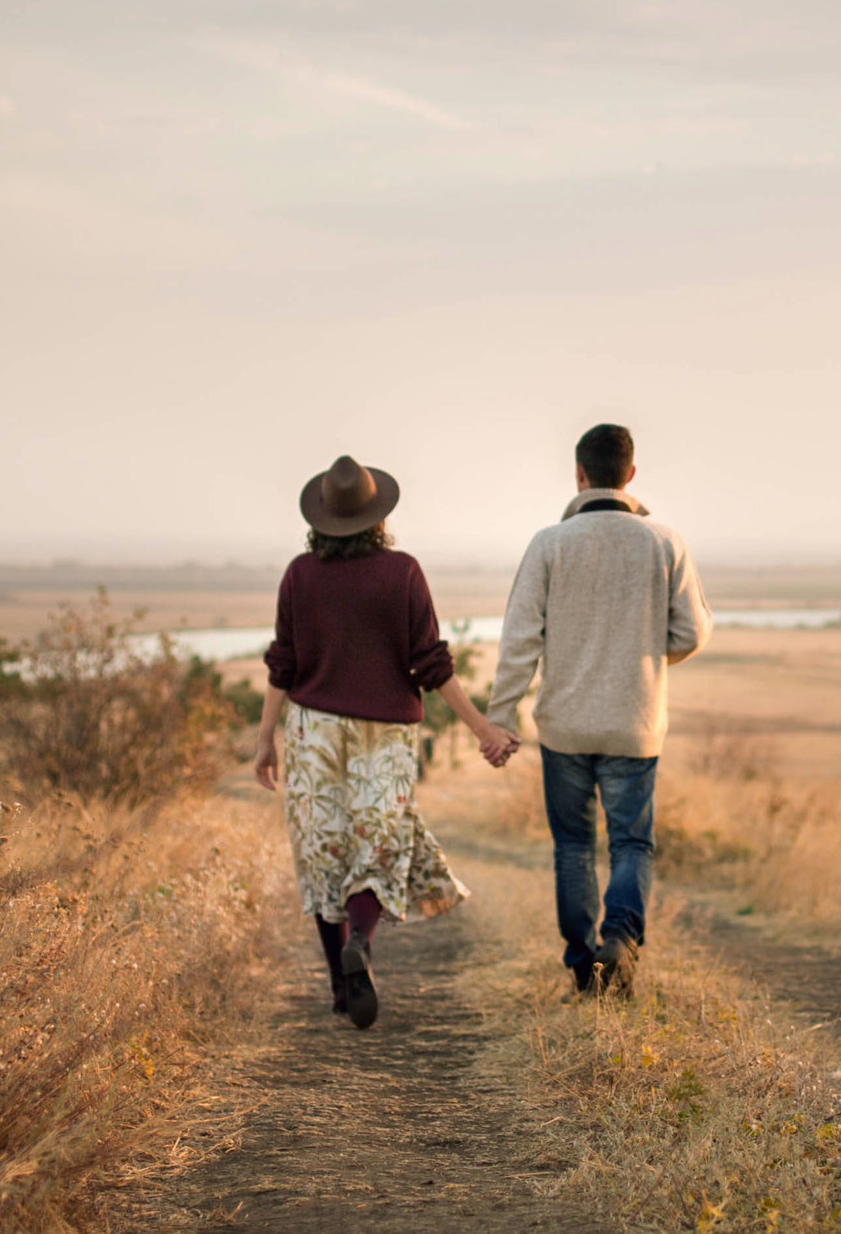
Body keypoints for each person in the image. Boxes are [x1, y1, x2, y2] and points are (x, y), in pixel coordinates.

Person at [252, 454, 520, 1029]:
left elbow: (283, 664)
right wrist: (483, 730)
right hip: (386, 733)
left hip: (311, 730)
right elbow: (430, 663)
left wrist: (264, 741)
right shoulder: (403, 572)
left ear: (320, 518)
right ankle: (363, 942)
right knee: (379, 844)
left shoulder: (300, 574)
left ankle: (342, 991)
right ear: (376, 517)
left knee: (324, 853)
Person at [486, 423, 712, 996]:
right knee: (631, 843)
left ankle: (583, 964)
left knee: (573, 845)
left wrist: (501, 712)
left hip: (563, 724)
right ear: (630, 474)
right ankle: (622, 939)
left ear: (579, 474)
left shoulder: (548, 544)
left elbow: (519, 639)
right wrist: (647, 659)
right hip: (634, 723)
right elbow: (691, 631)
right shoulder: (664, 543)